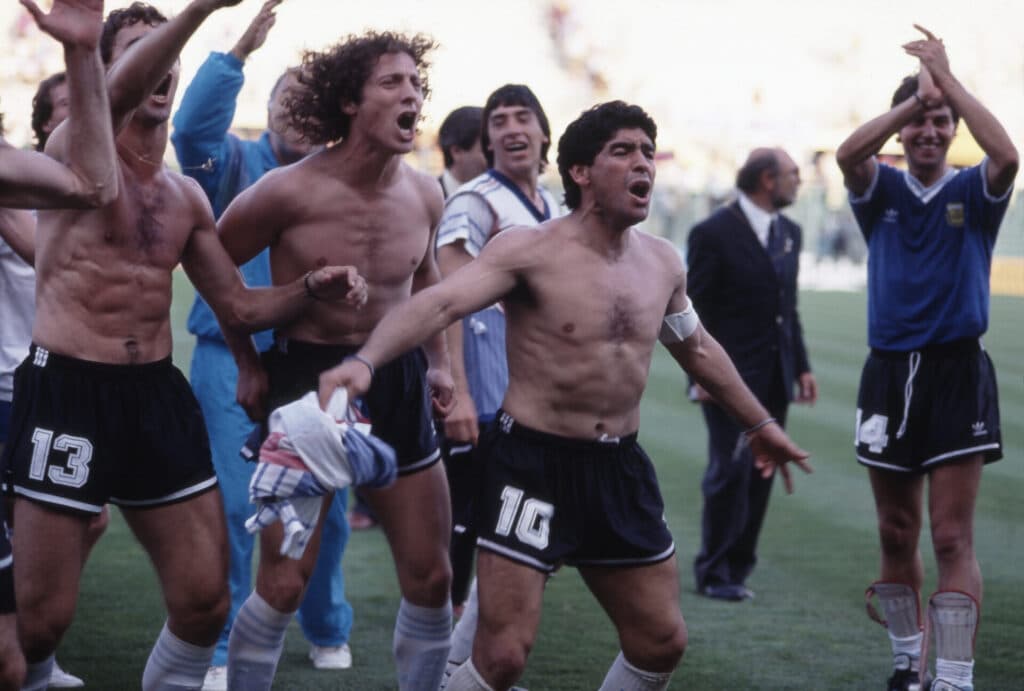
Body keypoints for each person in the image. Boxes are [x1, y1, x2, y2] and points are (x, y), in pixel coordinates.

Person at [318, 100, 812, 691]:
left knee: (660, 641)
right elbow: (441, 302)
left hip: (618, 471)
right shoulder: (529, 249)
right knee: (501, 657)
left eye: (649, 153)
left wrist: (760, 426)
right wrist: (365, 362)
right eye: (624, 151)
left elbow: (699, 350)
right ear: (580, 172)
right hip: (532, 467)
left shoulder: (662, 262)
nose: (644, 166)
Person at [2, 2, 367, 689]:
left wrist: (310, 288)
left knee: (204, 605)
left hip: (155, 396)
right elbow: (108, 95)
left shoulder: (186, 197)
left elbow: (237, 304)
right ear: (112, 70)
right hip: (68, 391)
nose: (165, 62)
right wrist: (200, 12)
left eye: (168, 50)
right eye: (145, 49)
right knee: (41, 620)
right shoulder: (73, 149)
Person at [217, 31, 454, 691]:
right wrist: (247, 361)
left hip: (398, 380)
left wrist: (439, 363)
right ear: (350, 101)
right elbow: (214, 267)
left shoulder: (426, 195)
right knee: (285, 581)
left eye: (416, 83)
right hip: (304, 383)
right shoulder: (286, 190)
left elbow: (429, 283)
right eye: (391, 83)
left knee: (433, 576)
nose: (410, 94)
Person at [169, 2, 354, 686]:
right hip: (227, 354)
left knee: (325, 508)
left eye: (309, 103)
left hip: (314, 361)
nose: (293, 110)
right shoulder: (232, 162)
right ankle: (221, 643)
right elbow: (190, 127)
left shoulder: (344, 184)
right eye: (283, 97)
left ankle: (327, 622)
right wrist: (237, 53)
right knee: (238, 500)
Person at [835, 25, 1017, 691]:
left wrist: (948, 83)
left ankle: (955, 676)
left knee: (948, 537)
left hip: (956, 372)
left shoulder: (975, 190)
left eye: (940, 121)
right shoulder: (879, 188)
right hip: (888, 373)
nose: (929, 133)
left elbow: (1007, 152)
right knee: (893, 528)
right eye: (919, 121)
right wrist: (917, 95)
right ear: (903, 127)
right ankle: (908, 662)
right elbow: (848, 152)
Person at [435, 85, 562, 685]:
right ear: (487, 138)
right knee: (489, 533)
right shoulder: (475, 201)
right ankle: (451, 660)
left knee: (514, 537)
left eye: (523, 117)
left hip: (538, 397)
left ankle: (457, 663)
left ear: (543, 131)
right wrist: (458, 391)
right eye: (499, 120)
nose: (512, 128)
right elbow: (449, 302)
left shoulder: (555, 207)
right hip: (488, 397)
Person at [688, 147, 817, 601]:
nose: (798, 181)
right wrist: (698, 375)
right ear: (767, 179)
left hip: (775, 374)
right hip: (725, 379)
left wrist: (800, 365)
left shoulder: (790, 233)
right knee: (730, 469)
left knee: (763, 469)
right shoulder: (712, 232)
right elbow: (693, 309)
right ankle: (713, 570)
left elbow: (788, 307)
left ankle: (738, 568)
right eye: (793, 174)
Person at [437, 105, 486, 197]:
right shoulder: (423, 199)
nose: (495, 157)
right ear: (456, 152)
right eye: (485, 151)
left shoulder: (502, 197)